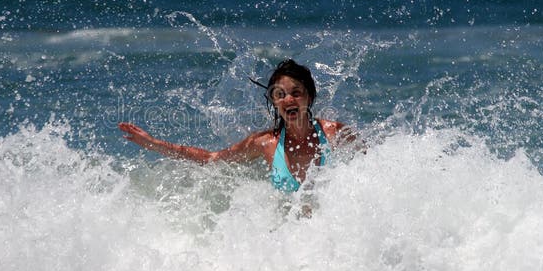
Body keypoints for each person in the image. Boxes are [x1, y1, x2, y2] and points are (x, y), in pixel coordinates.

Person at [119, 59, 362, 192]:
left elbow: (376, 165)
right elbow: (211, 158)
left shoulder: (334, 133)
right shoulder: (265, 143)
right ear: (274, 102)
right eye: (280, 95)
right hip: (290, 245)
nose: (288, 100)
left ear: (309, 96)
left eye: (296, 93)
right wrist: (154, 144)